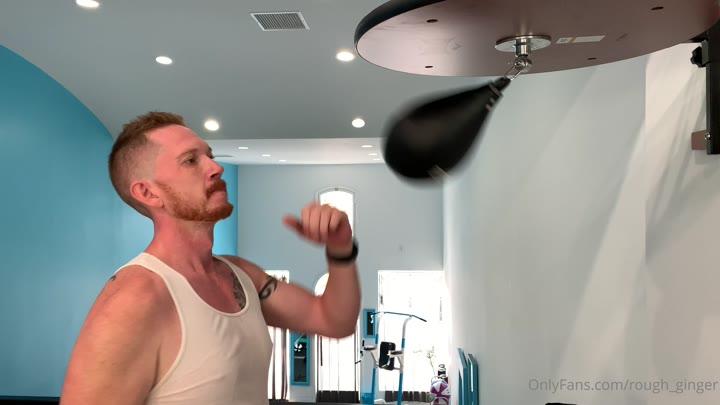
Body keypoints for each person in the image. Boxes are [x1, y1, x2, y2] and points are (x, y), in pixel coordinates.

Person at [60, 112, 362, 405]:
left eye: (210, 155)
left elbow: (335, 321)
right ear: (148, 193)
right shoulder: (134, 299)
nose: (216, 167)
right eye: (190, 161)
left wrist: (340, 248)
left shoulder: (242, 275)